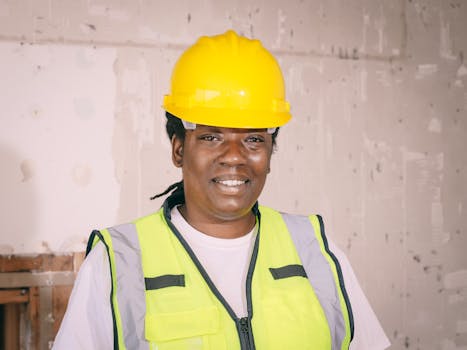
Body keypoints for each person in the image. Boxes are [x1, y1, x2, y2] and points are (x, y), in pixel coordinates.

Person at [53, 30, 390, 350]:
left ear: (270, 153)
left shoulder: (316, 251)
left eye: (254, 139)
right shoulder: (117, 264)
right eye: (211, 136)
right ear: (179, 149)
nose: (234, 157)